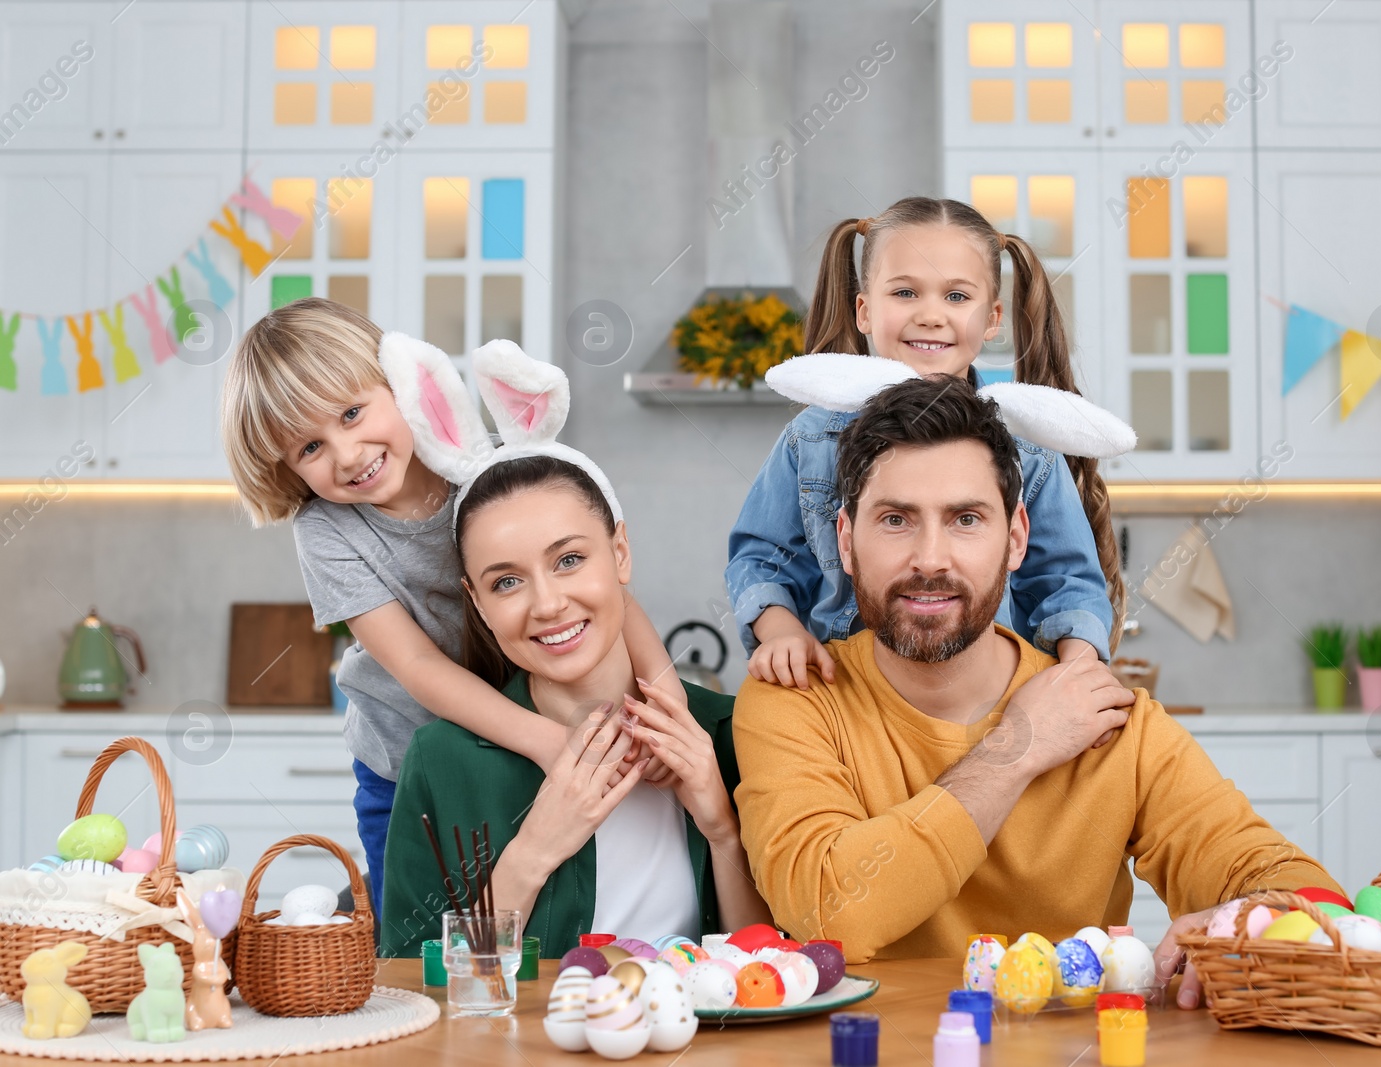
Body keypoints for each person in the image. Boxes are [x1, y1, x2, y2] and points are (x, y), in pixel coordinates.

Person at [732, 375, 1344, 1009]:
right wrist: (1018, 747)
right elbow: (832, 915)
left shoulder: (1102, 716)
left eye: (966, 519)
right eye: (895, 520)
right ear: (844, 540)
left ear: (1017, 536)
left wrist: (1261, 917)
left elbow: (1286, 879)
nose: (930, 558)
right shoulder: (794, 701)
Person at [220, 299, 680, 918]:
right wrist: (548, 741)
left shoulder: (484, 469)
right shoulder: (325, 530)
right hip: (402, 760)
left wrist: (669, 704)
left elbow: (615, 595)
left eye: (353, 413)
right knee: (412, 941)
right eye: (310, 448)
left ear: (400, 383)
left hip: (507, 736)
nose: (349, 454)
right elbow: (414, 664)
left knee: (518, 910)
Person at [379, 341, 767, 955]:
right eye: (506, 581)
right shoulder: (443, 760)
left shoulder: (734, 732)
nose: (548, 604)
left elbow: (771, 974)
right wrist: (533, 849)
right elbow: (411, 988)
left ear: (619, 554)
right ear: (475, 601)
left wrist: (721, 828)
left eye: (569, 560)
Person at [726, 196, 1130, 691]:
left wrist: (1079, 666)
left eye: (957, 297)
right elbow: (761, 556)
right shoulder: (811, 438)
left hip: (986, 704)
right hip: (845, 699)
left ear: (992, 319)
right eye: (905, 293)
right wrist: (780, 631)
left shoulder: (1029, 449)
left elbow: (1066, 580)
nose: (931, 316)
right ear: (864, 310)